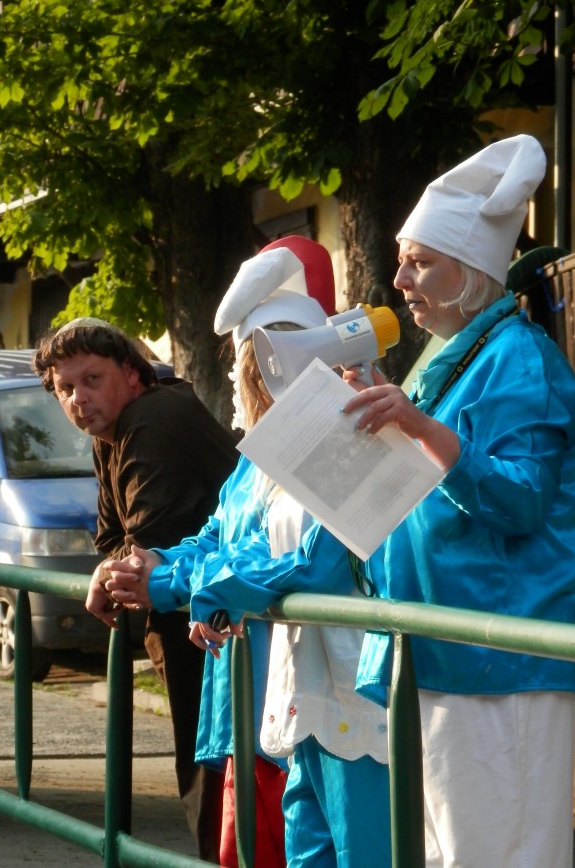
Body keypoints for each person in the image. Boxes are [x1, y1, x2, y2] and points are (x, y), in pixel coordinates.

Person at [341, 134, 575, 868]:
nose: (399, 279)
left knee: (494, 854)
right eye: (402, 260)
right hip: (444, 653)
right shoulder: (449, 359)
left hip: (498, 662)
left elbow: (518, 501)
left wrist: (415, 426)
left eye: (418, 261)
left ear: (472, 269)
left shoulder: (517, 358)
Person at [99, 235, 356, 868]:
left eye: (247, 363)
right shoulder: (255, 460)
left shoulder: (342, 441)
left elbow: (318, 557)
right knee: (254, 849)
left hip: (327, 697)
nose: (243, 384)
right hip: (257, 691)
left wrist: (188, 585)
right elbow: (218, 538)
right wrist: (158, 569)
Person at [32, 319, 238, 863]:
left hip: (215, 628)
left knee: (214, 778)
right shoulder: (116, 427)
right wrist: (111, 567)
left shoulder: (154, 418)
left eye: (91, 379)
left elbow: (144, 549)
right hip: (196, 621)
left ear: (131, 372)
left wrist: (111, 570)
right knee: (210, 778)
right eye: (65, 388)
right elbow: (110, 540)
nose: (78, 399)